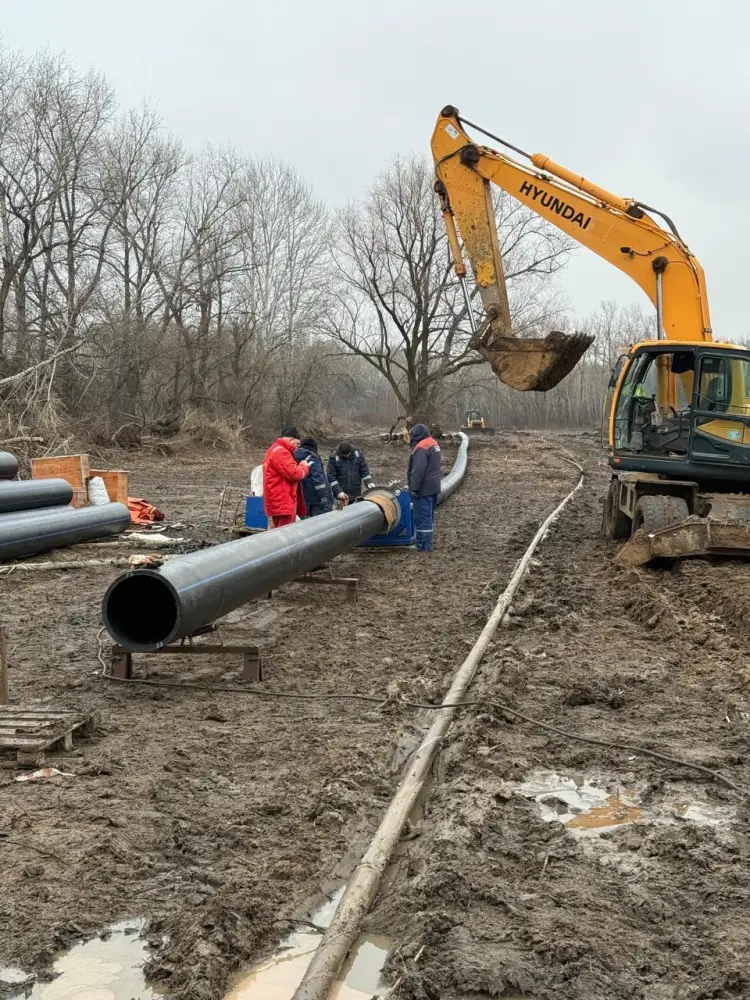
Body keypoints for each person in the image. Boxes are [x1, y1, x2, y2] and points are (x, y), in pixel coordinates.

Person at [262, 426, 311, 528]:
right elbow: (295, 474)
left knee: (278, 531)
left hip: (278, 500)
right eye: (297, 444)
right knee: (284, 533)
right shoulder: (281, 452)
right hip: (282, 501)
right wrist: (304, 467)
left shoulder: (275, 449)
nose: (297, 447)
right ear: (291, 439)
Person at [407, 423, 441, 552]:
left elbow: (418, 470)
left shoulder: (421, 447)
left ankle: (423, 546)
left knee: (422, 517)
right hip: (434, 486)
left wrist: (414, 488)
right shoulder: (433, 443)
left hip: (423, 488)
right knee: (428, 516)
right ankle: (425, 543)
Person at [294, 437, 334, 517]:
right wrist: (324, 496)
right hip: (315, 498)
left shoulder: (293, 456)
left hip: (301, 498)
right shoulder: (312, 457)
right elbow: (318, 478)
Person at [327, 441, 374, 505]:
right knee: (339, 512)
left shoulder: (358, 454)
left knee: (355, 512)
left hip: (356, 494)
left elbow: (364, 470)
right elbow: (331, 476)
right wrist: (338, 492)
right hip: (341, 496)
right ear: (340, 453)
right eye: (344, 455)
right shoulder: (334, 457)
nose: (347, 456)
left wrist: (369, 482)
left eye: (348, 454)